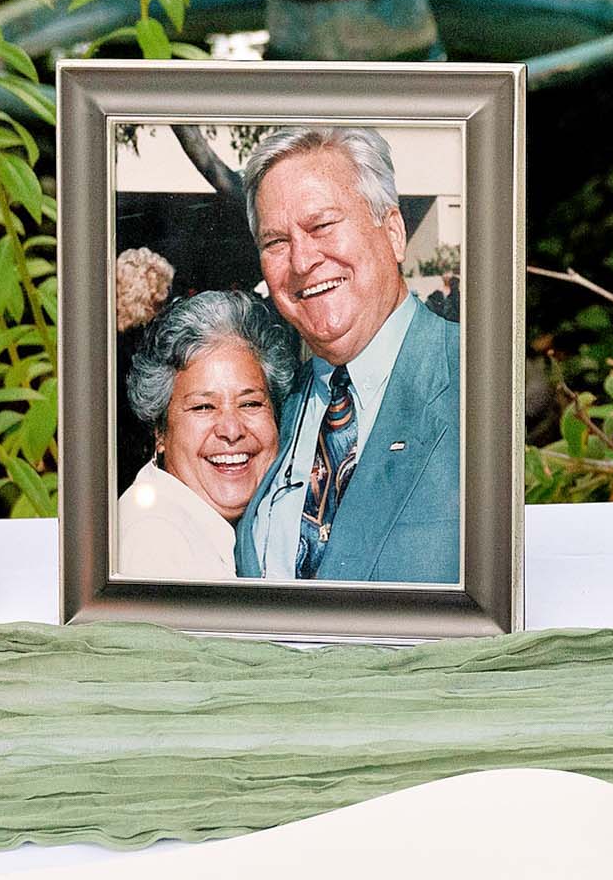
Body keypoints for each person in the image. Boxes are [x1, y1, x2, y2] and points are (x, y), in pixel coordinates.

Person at [233, 127, 464, 585]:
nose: (302, 261)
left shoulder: (476, 381)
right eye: (276, 242)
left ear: (393, 232)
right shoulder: (273, 407)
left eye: (322, 226)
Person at [113, 290, 305, 584]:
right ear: (160, 431)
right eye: (203, 407)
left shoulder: (211, 526)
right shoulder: (155, 540)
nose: (232, 430)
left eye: (250, 404)